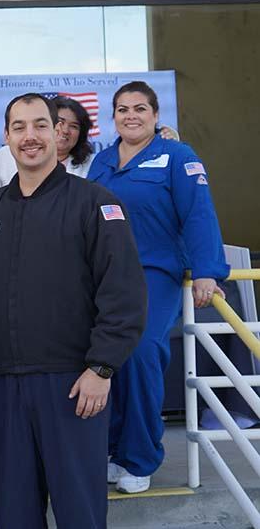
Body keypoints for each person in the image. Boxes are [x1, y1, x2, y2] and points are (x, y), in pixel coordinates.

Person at [0, 93, 147, 529]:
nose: (29, 137)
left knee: (80, 513)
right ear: (6, 136)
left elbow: (123, 294)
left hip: (74, 385)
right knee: (14, 513)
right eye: (19, 127)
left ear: (59, 133)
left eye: (40, 125)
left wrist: (102, 368)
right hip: (3, 388)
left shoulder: (95, 204)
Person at [88, 81, 229, 494]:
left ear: (155, 114)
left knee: (142, 351)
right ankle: (113, 449)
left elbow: (198, 213)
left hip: (155, 272)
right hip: (104, 276)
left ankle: (140, 457)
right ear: (113, 116)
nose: (131, 115)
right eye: (122, 109)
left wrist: (207, 270)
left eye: (140, 108)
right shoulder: (102, 162)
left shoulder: (177, 155)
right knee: (104, 358)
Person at [0, 95, 94, 188]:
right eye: (61, 122)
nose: (65, 130)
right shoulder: (4, 156)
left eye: (73, 126)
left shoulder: (91, 165)